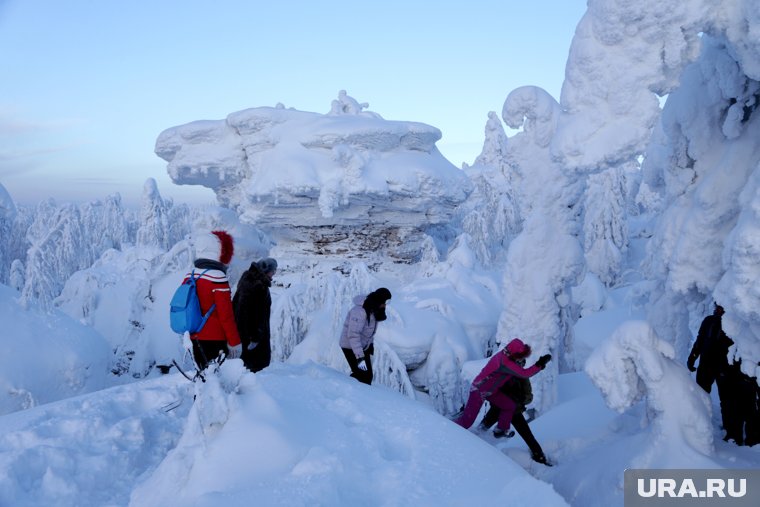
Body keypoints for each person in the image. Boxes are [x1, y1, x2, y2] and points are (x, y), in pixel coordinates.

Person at [455, 338, 551, 437]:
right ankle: (449, 429)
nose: (521, 359)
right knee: (467, 421)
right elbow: (524, 374)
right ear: (514, 354)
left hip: (492, 391)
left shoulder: (506, 355)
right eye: (520, 356)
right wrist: (539, 364)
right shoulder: (505, 362)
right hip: (479, 390)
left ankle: (500, 430)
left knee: (509, 405)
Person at [187, 230, 242, 370]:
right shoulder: (218, 278)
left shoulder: (191, 275)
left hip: (194, 336)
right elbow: (226, 316)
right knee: (215, 378)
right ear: (219, 251)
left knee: (202, 376)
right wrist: (234, 342)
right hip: (215, 339)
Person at [478, 368, 552, 466]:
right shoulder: (521, 375)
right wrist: (518, 401)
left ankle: (472, 449)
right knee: (528, 436)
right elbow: (528, 397)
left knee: (480, 429)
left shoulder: (501, 371)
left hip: (498, 409)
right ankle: (540, 457)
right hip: (513, 411)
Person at [233, 257, 277, 373]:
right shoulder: (257, 286)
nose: (273, 274)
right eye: (273, 271)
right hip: (252, 339)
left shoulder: (250, 280)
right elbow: (250, 313)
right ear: (266, 270)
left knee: (249, 368)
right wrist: (255, 337)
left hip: (248, 336)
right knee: (254, 369)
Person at [339, 288, 392, 385]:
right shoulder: (359, 312)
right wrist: (359, 357)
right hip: (350, 347)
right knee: (363, 377)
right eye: (385, 302)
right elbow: (353, 335)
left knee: (367, 376)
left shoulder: (373, 310)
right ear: (379, 301)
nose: (385, 305)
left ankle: (354, 391)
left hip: (362, 346)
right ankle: (347, 390)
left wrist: (370, 344)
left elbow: (369, 331)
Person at [687, 303, 733, 393]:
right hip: (706, 364)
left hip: (725, 367)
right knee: (701, 394)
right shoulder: (709, 320)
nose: (717, 309)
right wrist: (692, 358)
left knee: (728, 400)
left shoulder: (733, 323)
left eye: (720, 307)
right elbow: (699, 341)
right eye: (717, 307)